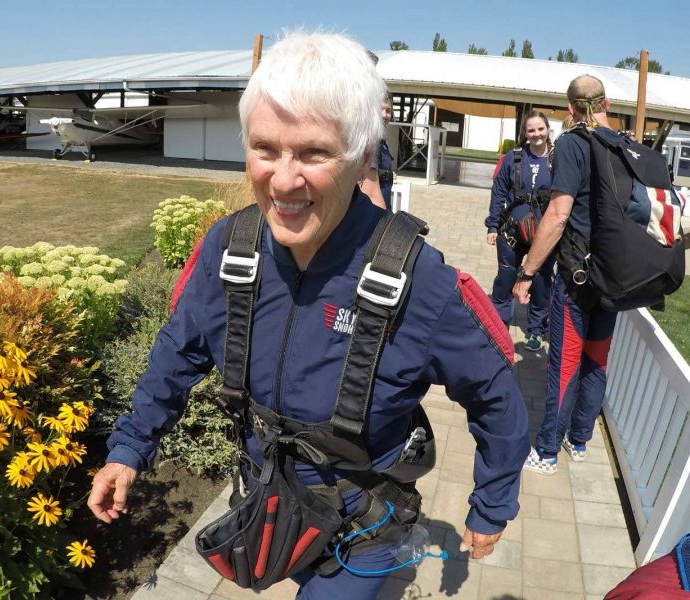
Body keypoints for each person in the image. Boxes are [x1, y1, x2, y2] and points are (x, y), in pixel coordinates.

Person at [89, 31, 529, 599]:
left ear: (363, 157)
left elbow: (495, 396)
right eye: (265, 148)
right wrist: (130, 448)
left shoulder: (419, 281)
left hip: (360, 526)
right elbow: (179, 350)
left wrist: (491, 505)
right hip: (268, 501)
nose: (284, 180)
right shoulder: (231, 249)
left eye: (315, 153)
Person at [514, 75, 620, 474]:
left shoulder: (575, 144)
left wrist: (527, 271)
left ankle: (546, 452)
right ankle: (579, 440)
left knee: (566, 364)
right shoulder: (626, 144)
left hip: (579, 279)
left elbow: (558, 215)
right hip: (615, 277)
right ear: (606, 102)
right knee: (597, 362)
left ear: (571, 108)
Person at [485, 111, 554, 351]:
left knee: (542, 281)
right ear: (525, 133)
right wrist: (493, 225)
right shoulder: (513, 158)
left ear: (548, 130)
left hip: (544, 235)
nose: (536, 134)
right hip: (512, 231)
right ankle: (498, 324)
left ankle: (536, 329)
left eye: (540, 129)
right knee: (505, 278)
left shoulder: (557, 160)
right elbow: (498, 192)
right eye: (531, 130)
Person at [360, 90, 395, 209]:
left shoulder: (381, 142)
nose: (385, 115)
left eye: (388, 111)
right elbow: (370, 193)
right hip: (375, 217)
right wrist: (386, 225)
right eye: (381, 110)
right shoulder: (370, 142)